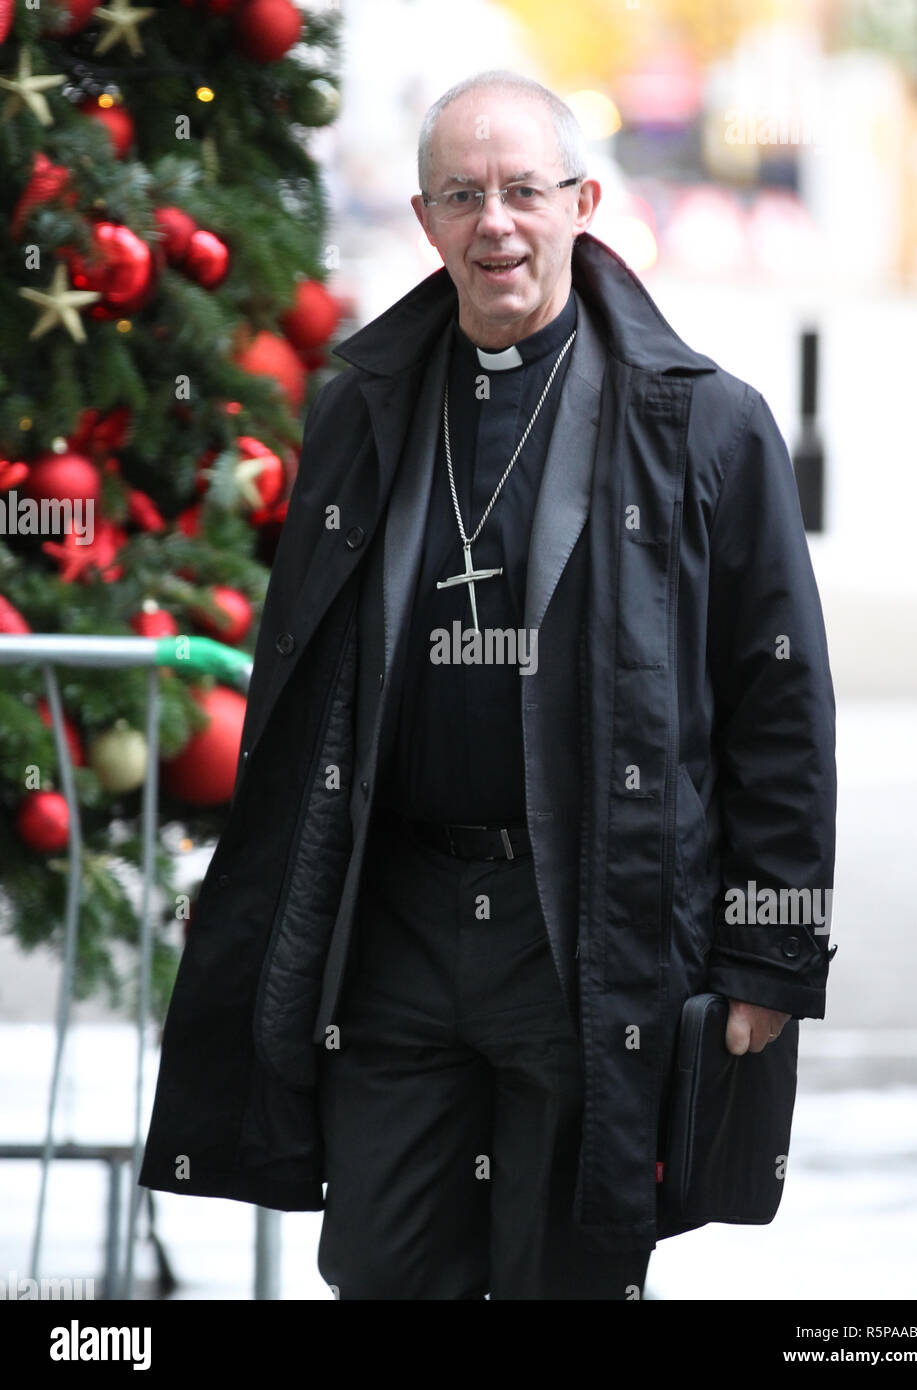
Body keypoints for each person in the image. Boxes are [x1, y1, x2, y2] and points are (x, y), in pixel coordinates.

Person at [139, 69, 837, 1301]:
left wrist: (768, 958)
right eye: (462, 196)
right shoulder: (361, 406)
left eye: (522, 190)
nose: (495, 224)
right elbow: (305, 679)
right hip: (398, 924)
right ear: (423, 220)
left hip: (586, 929)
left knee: (566, 1270)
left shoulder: (706, 424)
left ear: (583, 201)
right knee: (383, 1265)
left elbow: (778, 702)